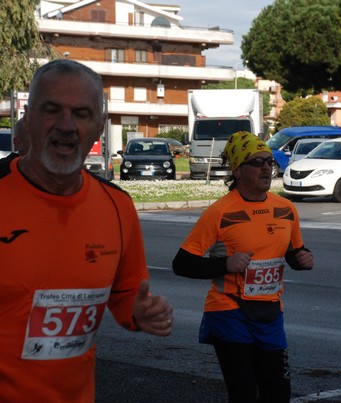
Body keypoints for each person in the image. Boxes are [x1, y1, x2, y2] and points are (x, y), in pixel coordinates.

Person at [0, 59, 173, 402]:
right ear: (28, 117)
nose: (66, 125)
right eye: (52, 110)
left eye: (81, 113)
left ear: (99, 126)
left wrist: (140, 314)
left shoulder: (118, 207)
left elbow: (125, 297)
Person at [172, 131, 314, 403]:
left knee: (278, 393)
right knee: (244, 394)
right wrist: (225, 263)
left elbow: (293, 252)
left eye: (269, 161)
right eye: (257, 162)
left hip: (270, 312)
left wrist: (302, 259)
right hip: (229, 311)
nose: (265, 167)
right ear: (237, 171)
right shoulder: (219, 213)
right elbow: (182, 264)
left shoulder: (285, 209)